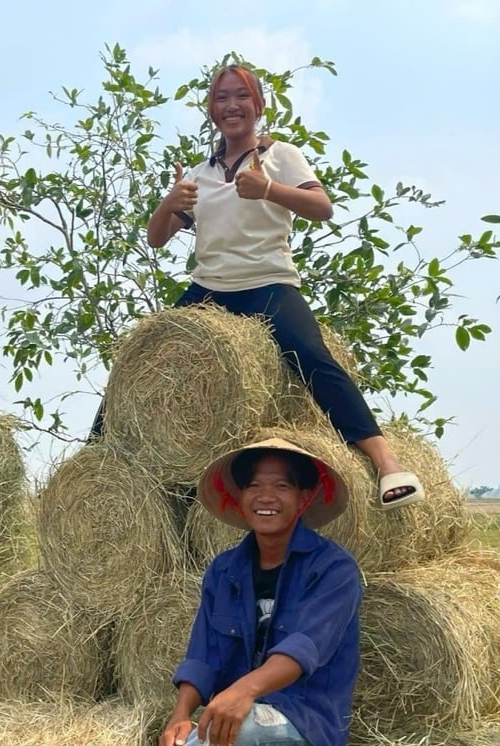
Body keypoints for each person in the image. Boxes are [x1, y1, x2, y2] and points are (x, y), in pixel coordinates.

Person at [96, 63, 422, 510]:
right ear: (211, 110)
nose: (232, 105)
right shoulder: (200, 173)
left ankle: (387, 464)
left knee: (312, 357)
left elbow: (321, 208)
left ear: (258, 105)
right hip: (209, 289)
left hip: (267, 283)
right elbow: (157, 238)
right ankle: (94, 466)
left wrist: (268, 189)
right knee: (141, 356)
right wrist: (168, 203)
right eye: (222, 98)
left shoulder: (281, 156)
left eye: (241, 96)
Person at [94, 436, 362, 746]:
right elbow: (203, 655)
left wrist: (242, 691)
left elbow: (305, 648)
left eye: (281, 485)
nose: (266, 496)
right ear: (239, 498)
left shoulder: (334, 569)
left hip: (304, 727)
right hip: (226, 730)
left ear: (304, 497)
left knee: (246, 726)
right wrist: (180, 716)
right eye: (254, 485)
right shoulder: (223, 571)